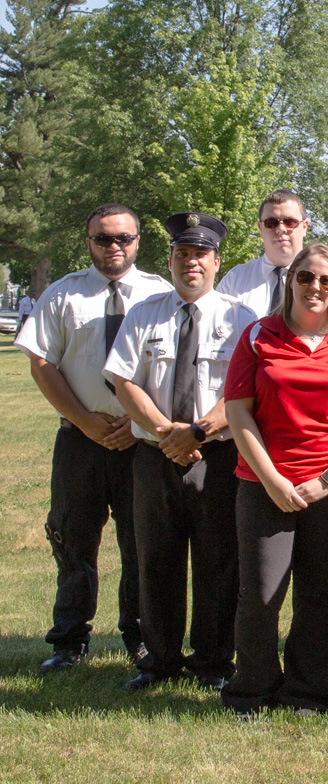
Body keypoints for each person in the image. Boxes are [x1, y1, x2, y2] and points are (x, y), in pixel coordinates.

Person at [220, 243, 328, 715]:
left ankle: (306, 691)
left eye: (326, 281)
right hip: (264, 484)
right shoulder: (258, 335)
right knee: (260, 595)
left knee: (318, 593)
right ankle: (251, 689)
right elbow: (237, 412)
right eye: (306, 277)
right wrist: (271, 479)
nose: (315, 287)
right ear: (290, 281)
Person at [15, 203, 172, 673]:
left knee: (142, 543)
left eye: (123, 237)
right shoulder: (63, 294)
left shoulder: (161, 294)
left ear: (138, 241)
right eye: (103, 238)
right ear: (89, 242)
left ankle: (140, 637)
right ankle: (69, 641)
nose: (114, 246)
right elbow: (42, 362)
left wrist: (139, 423)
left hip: (140, 441)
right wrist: (84, 420)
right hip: (80, 441)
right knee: (72, 540)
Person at [104, 212, 256, 690]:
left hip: (217, 457)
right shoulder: (144, 313)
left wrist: (197, 432)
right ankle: (160, 660)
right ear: (169, 260)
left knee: (219, 560)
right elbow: (123, 380)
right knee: (155, 559)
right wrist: (165, 432)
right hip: (155, 456)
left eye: (201, 255)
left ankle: (213, 662)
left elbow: (246, 389)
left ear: (216, 262)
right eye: (182, 254)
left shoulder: (242, 318)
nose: (192, 262)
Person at [217, 190, 309, 316]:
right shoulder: (234, 280)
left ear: (304, 227)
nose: (280, 229)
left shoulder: (322, 281)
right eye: (271, 223)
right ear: (260, 228)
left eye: (289, 222)